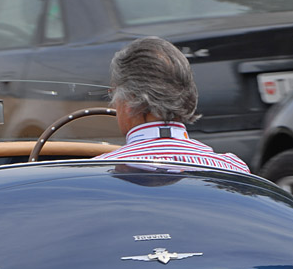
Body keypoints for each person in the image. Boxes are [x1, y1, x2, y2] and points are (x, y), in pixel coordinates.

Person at [95, 36, 251, 173]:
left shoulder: (97, 171)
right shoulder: (234, 168)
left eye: (114, 94)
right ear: (188, 94)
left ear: (130, 99)